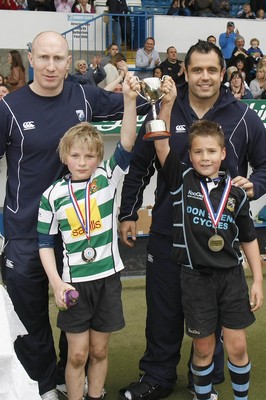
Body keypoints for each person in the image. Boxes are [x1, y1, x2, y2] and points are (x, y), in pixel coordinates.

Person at [0, 30, 149, 400]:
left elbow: (135, 112)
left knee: (76, 322)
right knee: (30, 320)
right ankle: (44, 386)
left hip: (77, 238)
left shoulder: (84, 94)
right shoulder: (9, 108)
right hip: (24, 236)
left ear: (69, 62)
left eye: (59, 59)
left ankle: (73, 382)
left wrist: (140, 88)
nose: (51, 66)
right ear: (30, 58)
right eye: (44, 58)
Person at [118, 40, 266, 400]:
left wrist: (254, 185)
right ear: (185, 71)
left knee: (213, 319)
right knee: (163, 313)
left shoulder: (245, 117)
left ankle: (207, 380)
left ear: (225, 73)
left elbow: (264, 167)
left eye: (212, 70)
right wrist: (127, 213)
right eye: (197, 69)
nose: (204, 76)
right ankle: (157, 377)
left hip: (220, 243)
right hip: (170, 235)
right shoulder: (164, 105)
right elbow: (140, 164)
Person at [153, 85, 263, 400]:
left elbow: (249, 238)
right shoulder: (181, 180)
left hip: (231, 278)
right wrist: (169, 103)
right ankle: (203, 395)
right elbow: (161, 143)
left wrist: (257, 280)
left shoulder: (237, 192)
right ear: (189, 155)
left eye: (212, 151)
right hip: (195, 278)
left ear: (223, 153)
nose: (205, 157)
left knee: (237, 345)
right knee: (203, 348)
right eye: (198, 151)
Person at [37, 72, 139, 400]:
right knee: (77, 354)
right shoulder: (52, 194)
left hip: (107, 280)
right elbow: (44, 244)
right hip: (73, 284)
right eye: (76, 156)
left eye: (89, 156)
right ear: (65, 156)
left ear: (98, 157)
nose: (82, 162)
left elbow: (126, 142)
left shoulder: (107, 178)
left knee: (98, 352)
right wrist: (57, 283)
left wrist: (129, 101)